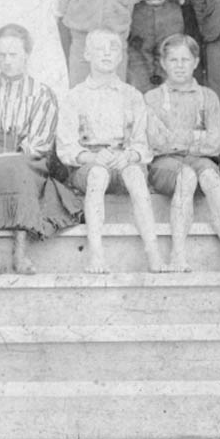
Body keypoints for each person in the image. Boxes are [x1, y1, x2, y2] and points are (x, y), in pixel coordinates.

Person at [0, 24, 81, 275]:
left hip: (24, 155)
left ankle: (21, 247)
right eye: (1, 55)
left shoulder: (41, 93)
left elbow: (40, 141)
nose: (6, 61)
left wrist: (16, 153)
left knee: (21, 167)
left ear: (27, 55)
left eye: (13, 55)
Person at [56, 29, 164, 273]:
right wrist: (93, 157)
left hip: (123, 161)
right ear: (86, 54)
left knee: (136, 175)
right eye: (99, 48)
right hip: (88, 166)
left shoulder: (133, 96)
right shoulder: (74, 97)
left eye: (113, 48)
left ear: (120, 56)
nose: (106, 53)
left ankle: (153, 252)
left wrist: (128, 156)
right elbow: (66, 147)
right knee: (98, 174)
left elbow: (142, 144)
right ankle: (96, 255)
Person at [144, 34, 220, 271]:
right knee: (187, 176)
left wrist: (176, 138)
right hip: (164, 164)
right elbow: (156, 143)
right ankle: (178, 255)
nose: (180, 66)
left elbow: (216, 144)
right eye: (173, 60)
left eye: (185, 60)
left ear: (195, 62)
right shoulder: (152, 98)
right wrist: (195, 136)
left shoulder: (208, 96)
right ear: (163, 63)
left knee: (211, 178)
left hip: (200, 161)